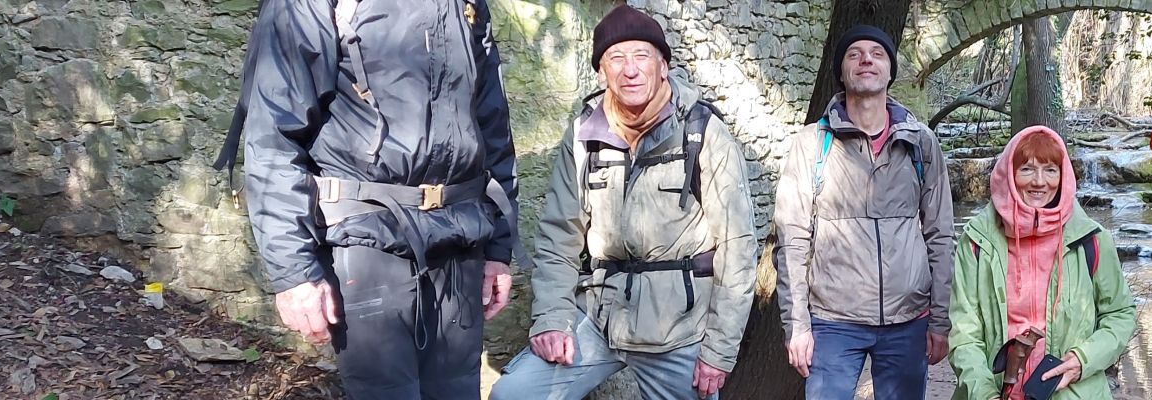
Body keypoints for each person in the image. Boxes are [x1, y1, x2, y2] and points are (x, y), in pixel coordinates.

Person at [219, 0, 517, 397]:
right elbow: (273, 140)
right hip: (365, 239)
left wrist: (498, 247)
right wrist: (294, 272)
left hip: (459, 240)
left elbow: (492, 127)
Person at [488, 5, 758, 400]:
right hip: (599, 316)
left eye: (641, 56)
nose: (629, 69)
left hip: (678, 329)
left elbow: (738, 246)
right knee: (514, 394)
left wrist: (718, 350)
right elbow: (559, 236)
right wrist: (552, 318)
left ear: (663, 66)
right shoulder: (584, 135)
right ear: (602, 71)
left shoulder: (702, 132)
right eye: (616, 58)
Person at [772, 24, 956, 400]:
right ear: (841, 72)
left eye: (877, 54)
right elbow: (791, 240)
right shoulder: (811, 145)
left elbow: (941, 234)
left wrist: (940, 318)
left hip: (908, 320)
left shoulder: (921, 143)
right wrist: (797, 325)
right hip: (833, 321)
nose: (866, 60)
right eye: (854, 54)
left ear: (891, 70)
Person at [946, 126, 1137, 400]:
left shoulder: (1092, 240)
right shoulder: (978, 241)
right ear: (1009, 175)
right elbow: (964, 331)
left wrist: (1083, 360)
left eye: (1050, 170)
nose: (1039, 181)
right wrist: (984, 393)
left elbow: (1120, 313)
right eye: (1026, 169)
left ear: (1063, 176)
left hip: (1074, 393)